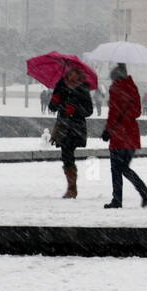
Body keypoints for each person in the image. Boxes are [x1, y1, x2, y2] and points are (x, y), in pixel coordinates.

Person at [100, 63, 147, 208]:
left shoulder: (116, 88)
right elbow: (137, 112)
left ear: (116, 77)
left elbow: (113, 114)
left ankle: (118, 200)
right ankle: (143, 192)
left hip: (119, 134)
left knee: (116, 169)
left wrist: (107, 130)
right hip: (132, 133)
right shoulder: (133, 87)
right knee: (124, 168)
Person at [49, 65, 94, 199]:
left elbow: (89, 110)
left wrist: (75, 110)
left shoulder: (83, 88)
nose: (71, 76)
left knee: (68, 154)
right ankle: (71, 187)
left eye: (74, 73)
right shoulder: (60, 86)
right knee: (66, 155)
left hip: (76, 127)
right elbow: (52, 107)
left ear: (78, 74)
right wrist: (55, 100)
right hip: (63, 127)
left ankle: (72, 188)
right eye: (69, 73)